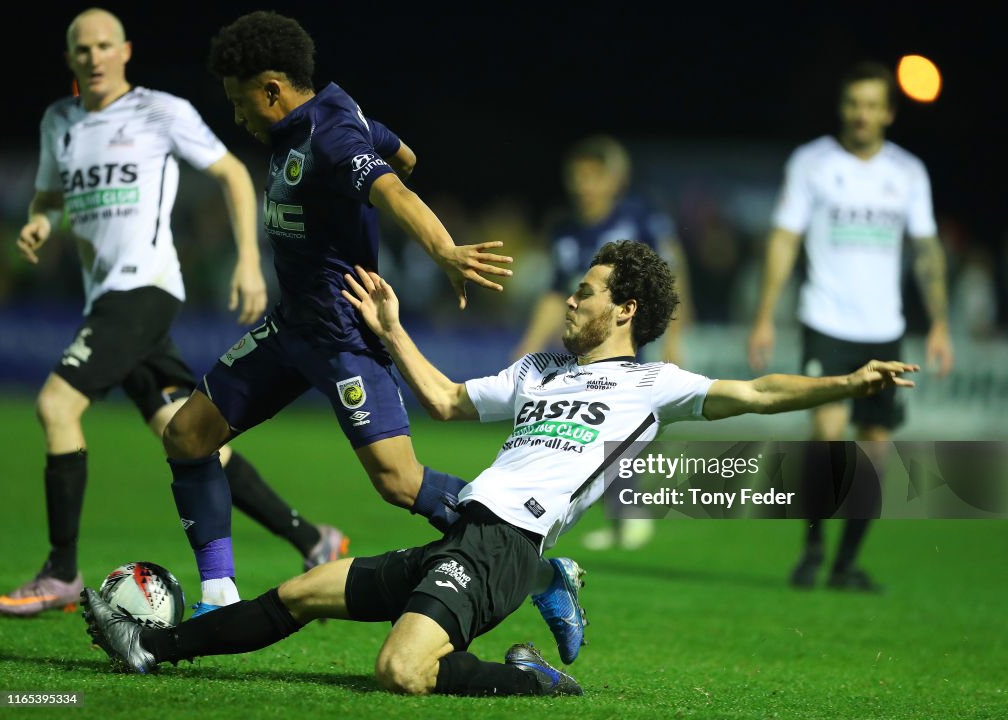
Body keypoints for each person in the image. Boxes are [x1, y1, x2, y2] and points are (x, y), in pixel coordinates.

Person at [83, 240, 918, 696]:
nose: (570, 300)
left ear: (624, 310)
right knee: (304, 593)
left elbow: (762, 391)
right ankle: (155, 647)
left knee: (400, 671)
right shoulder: (538, 372)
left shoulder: (660, 387)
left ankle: (533, 683)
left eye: (586, 293)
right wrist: (390, 326)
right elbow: (445, 402)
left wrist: (848, 381)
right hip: (467, 533)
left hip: (503, 548)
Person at [159, 9, 583, 664]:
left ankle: (536, 569)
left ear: (273, 89)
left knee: (398, 480)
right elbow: (399, 151)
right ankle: (217, 592)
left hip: (343, 331)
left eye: (242, 103)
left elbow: (391, 187)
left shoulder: (327, 135)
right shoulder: (333, 114)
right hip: (290, 324)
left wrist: (444, 251)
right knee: (187, 435)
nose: (238, 117)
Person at [0, 9, 348, 618]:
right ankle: (313, 538)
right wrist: (39, 223)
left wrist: (246, 263)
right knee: (185, 432)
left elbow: (234, 175)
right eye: (84, 49)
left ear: (125, 51)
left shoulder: (161, 111)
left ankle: (60, 572)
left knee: (56, 405)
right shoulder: (61, 122)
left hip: (145, 290)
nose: (95, 57)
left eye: (106, 46)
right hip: (103, 297)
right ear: (71, 57)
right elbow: (50, 196)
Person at [746, 61, 953, 591]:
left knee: (876, 447)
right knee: (828, 439)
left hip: (884, 327)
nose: (861, 114)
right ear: (843, 108)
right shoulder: (812, 162)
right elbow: (784, 238)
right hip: (826, 320)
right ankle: (813, 548)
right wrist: (766, 314)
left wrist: (940, 324)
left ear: (887, 112)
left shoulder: (908, 172)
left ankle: (846, 563)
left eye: (871, 105)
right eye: (853, 103)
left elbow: (927, 250)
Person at [512, 134, 695, 551]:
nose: (584, 186)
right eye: (578, 177)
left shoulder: (641, 218)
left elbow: (673, 275)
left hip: (629, 343)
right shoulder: (566, 230)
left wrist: (673, 338)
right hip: (580, 346)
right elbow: (556, 292)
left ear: (616, 179)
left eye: (594, 176)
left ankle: (627, 515)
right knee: (587, 432)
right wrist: (528, 343)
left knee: (622, 429)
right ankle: (616, 517)